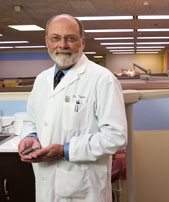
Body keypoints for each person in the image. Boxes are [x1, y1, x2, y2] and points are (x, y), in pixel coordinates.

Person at [18, 14, 127, 202]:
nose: (62, 45)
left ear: (82, 42)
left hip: (83, 189)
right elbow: (31, 120)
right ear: (47, 42)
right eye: (55, 38)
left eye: (70, 38)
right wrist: (30, 136)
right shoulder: (41, 80)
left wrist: (64, 151)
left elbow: (116, 137)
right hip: (46, 182)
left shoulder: (102, 79)